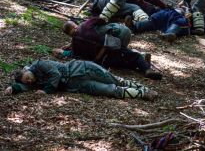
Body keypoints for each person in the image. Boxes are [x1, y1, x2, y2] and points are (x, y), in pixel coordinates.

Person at [56, 17, 162, 80]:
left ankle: (139, 63)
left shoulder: (75, 45)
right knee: (134, 56)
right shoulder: (85, 24)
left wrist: (62, 51)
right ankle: (147, 68)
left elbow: (72, 54)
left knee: (126, 63)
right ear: (75, 25)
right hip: (112, 46)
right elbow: (100, 19)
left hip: (104, 61)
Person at [4, 59, 157, 100]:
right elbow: (27, 87)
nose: (29, 81)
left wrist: (46, 91)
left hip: (84, 68)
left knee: (116, 81)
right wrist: (14, 87)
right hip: (78, 84)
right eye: (26, 81)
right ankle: (143, 94)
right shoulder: (34, 81)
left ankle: (144, 88)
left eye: (27, 78)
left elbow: (55, 75)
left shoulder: (40, 64)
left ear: (27, 71)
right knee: (110, 90)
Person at [128, 6, 205, 42]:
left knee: (179, 22)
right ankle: (135, 26)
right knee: (157, 18)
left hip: (182, 21)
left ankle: (170, 34)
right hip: (170, 14)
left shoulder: (201, 20)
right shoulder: (186, 10)